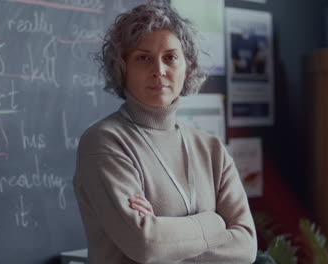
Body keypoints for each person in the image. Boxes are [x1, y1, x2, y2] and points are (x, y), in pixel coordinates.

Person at [73, 3, 257, 264]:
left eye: (170, 57)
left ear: (187, 66)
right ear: (122, 67)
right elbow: (146, 244)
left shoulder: (211, 149)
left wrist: (166, 237)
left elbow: (246, 247)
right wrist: (215, 223)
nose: (158, 70)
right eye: (143, 57)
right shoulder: (104, 142)